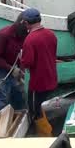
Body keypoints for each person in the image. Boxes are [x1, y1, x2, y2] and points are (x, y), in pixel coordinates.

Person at [19, 8, 57, 137]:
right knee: (42, 107)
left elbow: (27, 62)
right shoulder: (51, 34)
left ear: (26, 23)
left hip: (38, 82)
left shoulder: (30, 40)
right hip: (51, 77)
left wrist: (20, 58)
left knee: (36, 110)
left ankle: (46, 138)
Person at [0, 13, 28, 112]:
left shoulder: (23, 35)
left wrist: (21, 71)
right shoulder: (3, 35)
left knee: (18, 92)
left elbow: (21, 54)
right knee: (2, 96)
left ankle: (20, 116)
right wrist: (11, 69)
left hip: (10, 67)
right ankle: (1, 119)